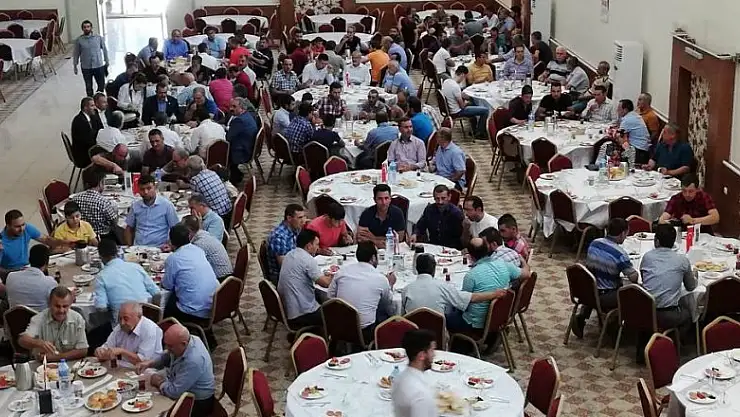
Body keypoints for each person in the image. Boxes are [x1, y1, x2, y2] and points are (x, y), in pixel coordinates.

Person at [570, 218, 638, 338]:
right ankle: (615, 325)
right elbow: (633, 278)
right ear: (623, 233)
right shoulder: (620, 254)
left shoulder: (594, 243)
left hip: (587, 290)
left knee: (595, 286)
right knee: (633, 293)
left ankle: (582, 316)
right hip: (605, 295)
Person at [637, 224, 696, 362]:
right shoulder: (682, 260)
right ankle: (670, 346)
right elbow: (691, 287)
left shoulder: (647, 257)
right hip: (667, 314)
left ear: (656, 241)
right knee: (689, 315)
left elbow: (645, 279)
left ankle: (650, 346)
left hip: (644, 309)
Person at [447, 238, 528, 333]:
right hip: (499, 318)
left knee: (445, 314)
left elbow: (463, 304)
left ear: (470, 256)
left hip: (475, 325)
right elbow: (527, 274)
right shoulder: (504, 264)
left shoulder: (471, 276)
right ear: (488, 249)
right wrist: (524, 262)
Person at [135, 324, 215, 415]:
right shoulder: (188, 341)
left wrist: (159, 382)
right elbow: (168, 355)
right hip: (180, 387)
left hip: (197, 403)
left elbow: (174, 392)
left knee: (150, 408)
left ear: (183, 344)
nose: (167, 349)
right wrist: (150, 363)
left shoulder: (194, 360)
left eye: (170, 346)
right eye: (166, 345)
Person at [328, 242, 395, 342]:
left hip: (338, 326)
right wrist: (390, 285)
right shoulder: (380, 279)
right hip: (364, 332)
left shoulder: (342, 272)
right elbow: (388, 305)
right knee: (384, 313)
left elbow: (330, 297)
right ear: (373, 258)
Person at [162, 225, 219, 343]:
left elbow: (167, 285)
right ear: (189, 237)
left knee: (165, 306)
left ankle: (167, 339)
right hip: (214, 303)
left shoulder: (173, 259)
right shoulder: (198, 250)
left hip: (194, 310)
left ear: (171, 242)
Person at [402, 254, 506, 315]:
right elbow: (471, 298)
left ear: (416, 269)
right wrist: (494, 294)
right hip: (438, 334)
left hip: (413, 335)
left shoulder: (406, 290)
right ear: (434, 269)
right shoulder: (443, 287)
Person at [277, 229, 333, 328]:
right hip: (302, 314)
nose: (318, 248)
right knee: (336, 313)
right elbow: (325, 283)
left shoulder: (290, 254)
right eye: (316, 244)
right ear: (308, 246)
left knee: (319, 294)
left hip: (286, 309)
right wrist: (334, 275)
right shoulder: (308, 260)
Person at [94, 239, 159, 320]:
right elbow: (156, 293)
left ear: (101, 256)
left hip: (124, 323)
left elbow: (101, 307)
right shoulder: (136, 267)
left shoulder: (101, 276)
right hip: (147, 319)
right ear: (117, 252)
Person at [19, 286, 88, 361]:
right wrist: (39, 343)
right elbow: (22, 340)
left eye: (65, 306)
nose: (61, 310)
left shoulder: (77, 318)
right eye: (57, 306)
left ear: (70, 304)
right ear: (49, 304)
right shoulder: (39, 319)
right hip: (43, 366)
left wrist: (55, 358)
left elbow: (83, 350)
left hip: (70, 364)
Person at [96, 301, 162, 367]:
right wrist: (100, 351)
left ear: (138, 317)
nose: (122, 323)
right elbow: (107, 347)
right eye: (120, 318)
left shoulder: (150, 330)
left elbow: (143, 361)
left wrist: (122, 351)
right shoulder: (120, 327)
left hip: (148, 368)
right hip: (126, 366)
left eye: (126, 319)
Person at [391, 329, 437, 417]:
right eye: (432, 350)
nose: (434, 355)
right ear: (421, 355)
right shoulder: (421, 395)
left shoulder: (399, 378)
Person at [124, 175, 179, 246]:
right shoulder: (135, 206)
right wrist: (129, 246)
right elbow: (128, 228)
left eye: (149, 188)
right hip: (138, 248)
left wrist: (170, 245)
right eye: (142, 189)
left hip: (159, 248)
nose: (146, 192)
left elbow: (175, 229)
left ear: (155, 187)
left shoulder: (167, 205)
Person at [1, 210, 59, 276]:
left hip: (28, 269)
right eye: (17, 226)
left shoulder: (27, 228)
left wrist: (64, 244)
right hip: (11, 275)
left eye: (23, 224)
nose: (22, 229)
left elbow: (46, 240)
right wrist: (12, 272)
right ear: (8, 226)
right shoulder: (1, 242)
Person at [409, 185, 464, 249]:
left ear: (449, 197)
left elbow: (460, 236)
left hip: (450, 247)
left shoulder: (456, 213)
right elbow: (421, 225)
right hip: (433, 245)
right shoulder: (429, 209)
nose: (440, 202)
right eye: (437, 199)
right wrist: (415, 234)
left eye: (443, 198)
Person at [6, 245, 58, 311]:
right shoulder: (50, 282)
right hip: (40, 317)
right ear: (46, 263)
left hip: (14, 317)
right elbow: (56, 305)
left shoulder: (11, 276)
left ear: (29, 259)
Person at [71, 169, 119, 240]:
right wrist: (115, 210)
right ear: (100, 183)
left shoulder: (75, 199)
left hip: (82, 237)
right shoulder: (103, 201)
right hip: (102, 238)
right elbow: (115, 222)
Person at [181, 215, 233, 280]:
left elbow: (191, 267)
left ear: (189, 230)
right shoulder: (204, 234)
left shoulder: (199, 244)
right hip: (226, 276)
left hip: (221, 280)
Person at [443, 66, 489, 139]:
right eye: (464, 77)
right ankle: (480, 132)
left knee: (473, 102)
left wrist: (467, 98)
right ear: (462, 75)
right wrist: (467, 102)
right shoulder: (455, 87)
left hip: (450, 108)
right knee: (485, 110)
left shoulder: (446, 81)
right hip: (457, 111)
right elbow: (462, 106)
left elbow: (456, 95)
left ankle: (473, 128)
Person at [267, 204, 306, 282]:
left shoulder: (295, 227)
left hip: (294, 267)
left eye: (304, 217)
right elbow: (284, 266)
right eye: (300, 218)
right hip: (281, 277)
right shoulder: (279, 237)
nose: (303, 221)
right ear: (289, 218)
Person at [226, 97, 259, 185]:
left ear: (242, 108)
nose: (231, 109)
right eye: (230, 106)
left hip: (241, 152)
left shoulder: (239, 120)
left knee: (219, 150)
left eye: (234, 106)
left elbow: (228, 137)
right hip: (248, 147)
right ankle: (237, 173)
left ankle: (232, 177)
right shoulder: (248, 115)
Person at [73, 20, 109, 97]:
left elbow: (104, 50)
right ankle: (90, 100)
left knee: (101, 85)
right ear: (82, 29)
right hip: (86, 67)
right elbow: (76, 53)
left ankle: (99, 99)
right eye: (84, 27)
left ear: (91, 28)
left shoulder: (98, 38)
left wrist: (107, 61)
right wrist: (75, 65)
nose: (86, 28)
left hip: (98, 65)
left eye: (88, 27)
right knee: (88, 86)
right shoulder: (79, 40)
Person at [71, 97, 103, 167]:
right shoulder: (79, 121)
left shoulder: (91, 116)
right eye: (92, 106)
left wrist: (96, 115)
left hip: (89, 149)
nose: (95, 108)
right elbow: (88, 141)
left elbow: (100, 128)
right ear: (85, 108)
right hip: (83, 156)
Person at [617, 99, 651, 164]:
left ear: (625, 110)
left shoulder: (627, 120)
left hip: (638, 151)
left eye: (619, 109)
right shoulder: (634, 115)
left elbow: (620, 138)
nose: (617, 111)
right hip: (644, 149)